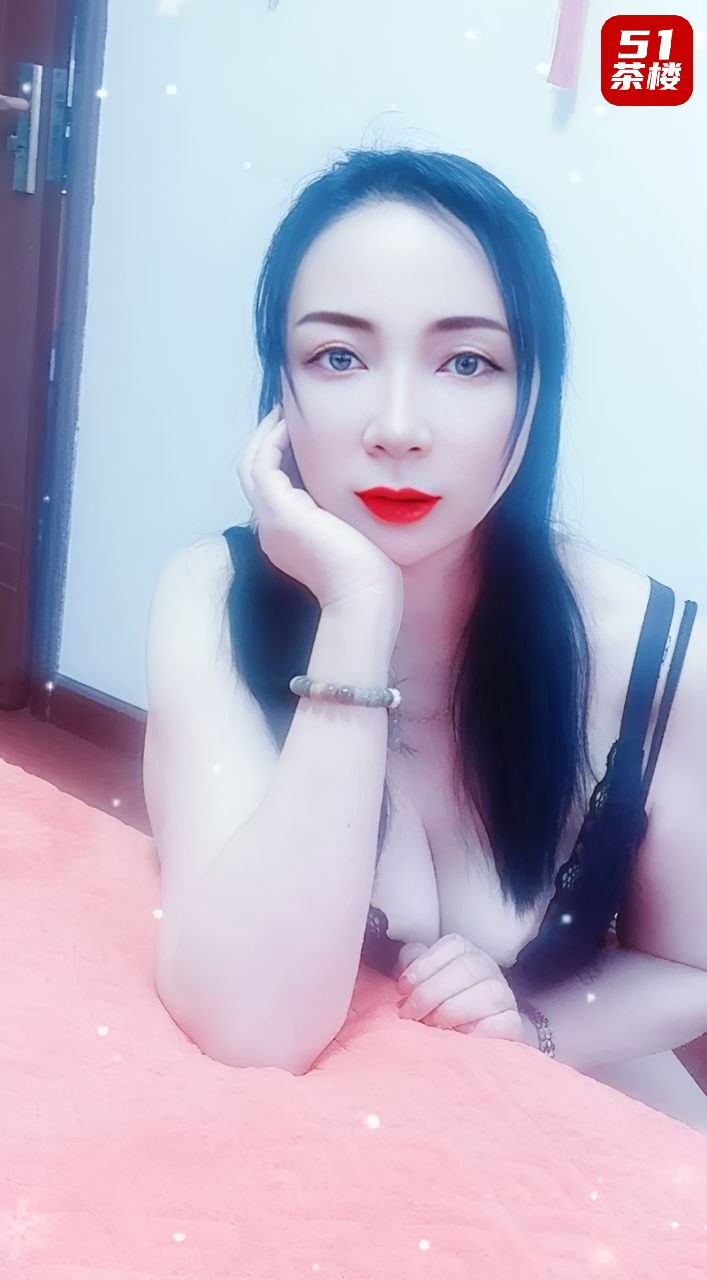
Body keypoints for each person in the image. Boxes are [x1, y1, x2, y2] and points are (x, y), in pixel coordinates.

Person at [144, 148, 707, 1130]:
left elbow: (689, 967)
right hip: (311, 1139)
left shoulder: (653, 655)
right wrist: (356, 612)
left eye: (466, 362)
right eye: (337, 357)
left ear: (534, 392)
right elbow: (251, 1024)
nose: (397, 427)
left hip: (557, 1129)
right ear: (278, 388)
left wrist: (531, 1029)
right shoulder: (211, 597)